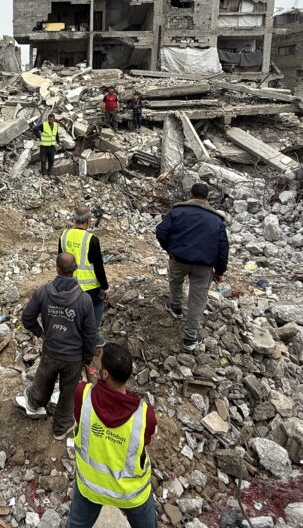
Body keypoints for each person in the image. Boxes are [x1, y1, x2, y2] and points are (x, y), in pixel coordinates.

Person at [68, 342, 157, 528]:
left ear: (106, 374)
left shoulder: (82, 395)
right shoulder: (144, 414)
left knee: (76, 525)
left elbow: (80, 418)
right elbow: (144, 443)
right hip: (130, 492)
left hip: (90, 487)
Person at [17, 252, 99, 440]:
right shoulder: (84, 300)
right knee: (68, 393)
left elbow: (27, 317)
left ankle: (34, 403)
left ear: (57, 269)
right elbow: (90, 334)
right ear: (75, 269)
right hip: (73, 357)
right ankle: (60, 429)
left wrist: (42, 333)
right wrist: (87, 357)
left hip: (51, 351)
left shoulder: (43, 292)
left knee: (43, 379)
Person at [155, 182, 229, 351]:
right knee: (197, 299)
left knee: (175, 281)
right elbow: (223, 248)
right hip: (204, 267)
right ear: (207, 197)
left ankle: (176, 306)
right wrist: (219, 271)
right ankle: (190, 338)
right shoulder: (216, 220)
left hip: (179, 259)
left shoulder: (178, 211)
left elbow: (161, 231)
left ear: (190, 194)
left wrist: (170, 249)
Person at [59, 205, 109, 335]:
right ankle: (93, 335)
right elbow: (98, 267)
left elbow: (60, 260)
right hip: (90, 288)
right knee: (97, 305)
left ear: (74, 219)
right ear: (88, 220)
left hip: (68, 285)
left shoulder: (64, 235)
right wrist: (105, 287)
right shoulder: (91, 239)